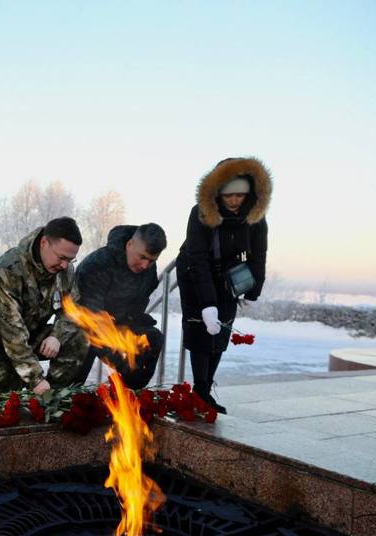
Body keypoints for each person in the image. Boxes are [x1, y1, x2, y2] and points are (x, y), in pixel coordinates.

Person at [177, 157, 272, 414]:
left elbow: (258, 255)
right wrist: (207, 304)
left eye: (239, 195)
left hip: (229, 276)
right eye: (228, 195)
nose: (233, 201)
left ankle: (205, 390)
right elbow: (197, 259)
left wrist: (253, 290)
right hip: (194, 272)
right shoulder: (200, 213)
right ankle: (199, 390)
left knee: (221, 330)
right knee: (201, 329)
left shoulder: (255, 217)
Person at [0, 217, 90, 394]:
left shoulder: (65, 270)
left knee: (79, 335)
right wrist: (36, 379)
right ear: (44, 243)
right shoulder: (9, 268)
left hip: (32, 336)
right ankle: (40, 391)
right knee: (4, 404)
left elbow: (72, 311)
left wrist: (56, 336)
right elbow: (12, 332)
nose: (65, 265)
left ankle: (54, 397)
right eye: (61, 257)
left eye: (70, 259)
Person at [72, 223, 167, 389]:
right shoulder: (98, 264)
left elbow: (138, 306)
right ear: (129, 244)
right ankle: (69, 394)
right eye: (142, 257)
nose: (145, 265)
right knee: (85, 350)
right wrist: (121, 362)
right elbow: (90, 319)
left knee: (153, 338)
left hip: (121, 323)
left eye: (152, 261)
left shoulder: (148, 271)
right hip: (86, 327)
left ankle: (132, 392)